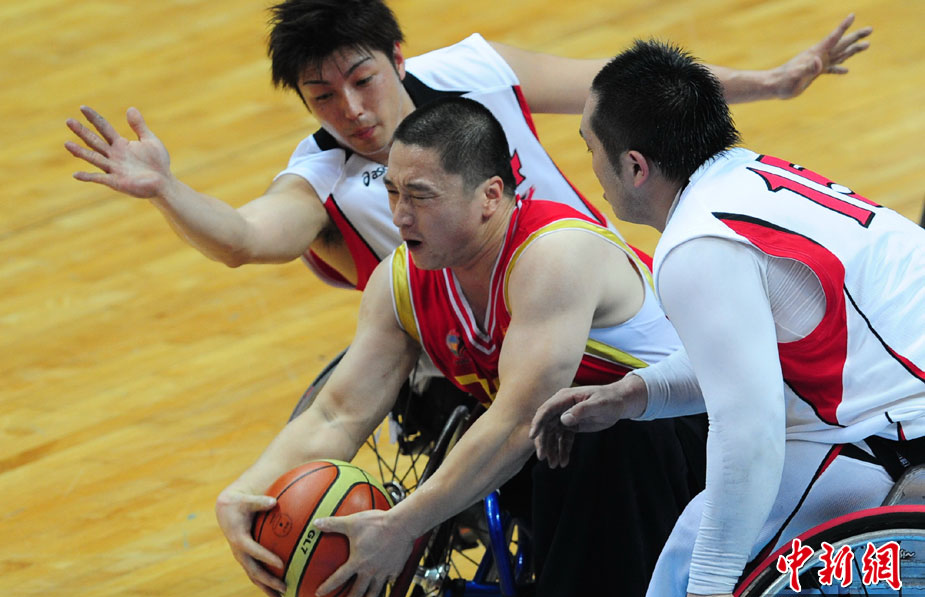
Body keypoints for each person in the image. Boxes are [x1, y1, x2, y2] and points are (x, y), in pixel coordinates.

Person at [214, 97, 702, 597]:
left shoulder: (555, 254)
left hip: (695, 435)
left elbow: (517, 422)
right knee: (531, 432)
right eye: (392, 191)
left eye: (420, 197)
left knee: (586, 426)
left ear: (490, 195)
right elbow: (338, 413)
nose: (399, 216)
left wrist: (400, 526)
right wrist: (246, 492)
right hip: (575, 469)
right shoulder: (401, 282)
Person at [63, 0, 873, 292]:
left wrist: (770, 82)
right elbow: (244, 239)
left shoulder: (477, 70)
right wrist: (167, 190)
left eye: (360, 79)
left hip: (608, 286)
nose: (350, 110)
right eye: (322, 95)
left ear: (397, 58)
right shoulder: (321, 175)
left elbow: (621, 84)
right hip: (479, 357)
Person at [529, 39, 925, 597]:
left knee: (693, 559)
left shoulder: (697, 244)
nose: (591, 167)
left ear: (635, 166)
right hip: (899, 406)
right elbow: (747, 359)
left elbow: (750, 426)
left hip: (899, 436)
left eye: (589, 148)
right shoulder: (748, 177)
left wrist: (711, 584)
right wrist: (634, 393)